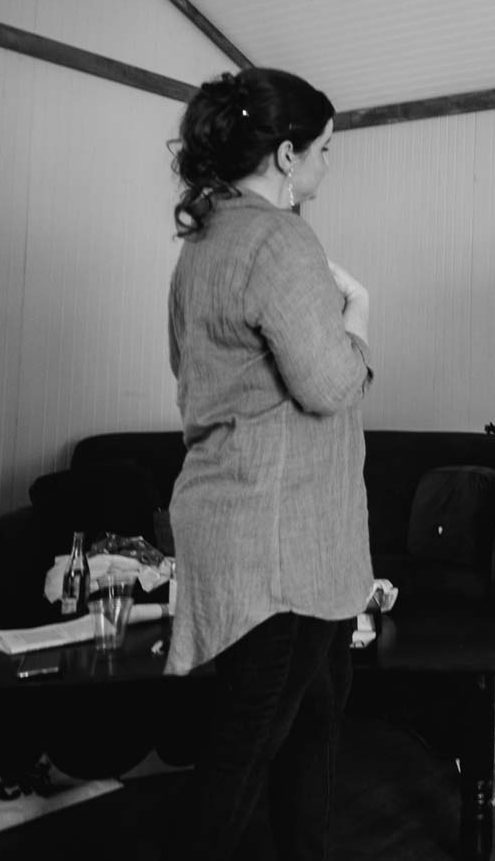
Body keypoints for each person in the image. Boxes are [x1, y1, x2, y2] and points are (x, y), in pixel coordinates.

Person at [164, 67, 375, 858]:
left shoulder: (204, 243)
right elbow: (327, 384)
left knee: (312, 722)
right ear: (286, 156)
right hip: (280, 542)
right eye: (323, 150)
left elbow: (197, 373)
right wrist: (359, 321)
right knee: (243, 752)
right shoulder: (281, 237)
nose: (325, 167)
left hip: (238, 522)